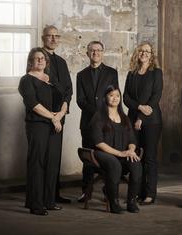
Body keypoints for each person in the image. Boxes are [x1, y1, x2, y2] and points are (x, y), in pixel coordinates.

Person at [18, 48, 66, 215]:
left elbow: (64, 97)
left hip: (55, 124)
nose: (39, 60)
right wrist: (53, 118)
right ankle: (35, 204)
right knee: (37, 163)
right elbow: (33, 104)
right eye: (36, 58)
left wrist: (59, 115)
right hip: (38, 124)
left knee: (52, 163)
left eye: (42, 58)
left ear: (46, 62)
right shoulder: (26, 80)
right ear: (31, 61)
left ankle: (49, 201)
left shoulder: (51, 78)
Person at [88, 85, 142, 214]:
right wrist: (120, 153)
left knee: (136, 164)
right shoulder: (98, 116)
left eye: (117, 96)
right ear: (105, 98)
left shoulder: (124, 118)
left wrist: (130, 150)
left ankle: (131, 201)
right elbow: (99, 143)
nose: (114, 98)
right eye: (111, 95)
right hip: (102, 153)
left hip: (122, 154)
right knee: (114, 163)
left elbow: (132, 140)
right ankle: (114, 202)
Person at [76, 41, 119, 202]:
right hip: (87, 123)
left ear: (103, 53)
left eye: (99, 50)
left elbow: (115, 96)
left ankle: (108, 191)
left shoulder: (111, 73)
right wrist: (97, 113)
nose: (95, 53)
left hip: (108, 123)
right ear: (87, 53)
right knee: (88, 158)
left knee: (107, 156)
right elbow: (80, 100)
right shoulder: (81, 75)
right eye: (92, 50)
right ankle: (85, 192)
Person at [124, 42, 163, 205]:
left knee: (149, 158)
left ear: (151, 55)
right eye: (141, 51)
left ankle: (150, 193)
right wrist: (139, 107)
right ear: (137, 53)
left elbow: (155, 97)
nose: (144, 53)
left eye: (147, 51)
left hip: (151, 121)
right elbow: (125, 97)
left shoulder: (156, 73)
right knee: (134, 157)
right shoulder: (131, 74)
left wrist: (141, 117)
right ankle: (136, 193)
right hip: (132, 120)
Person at [41, 25, 73, 204]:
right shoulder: (38, 58)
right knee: (44, 157)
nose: (53, 39)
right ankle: (44, 196)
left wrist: (63, 110)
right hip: (45, 114)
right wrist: (53, 114)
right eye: (50, 36)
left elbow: (68, 88)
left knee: (55, 156)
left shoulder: (61, 61)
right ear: (43, 38)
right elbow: (42, 86)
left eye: (56, 36)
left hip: (60, 113)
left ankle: (54, 194)